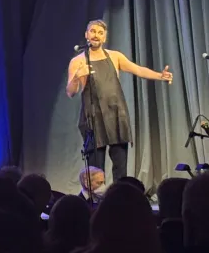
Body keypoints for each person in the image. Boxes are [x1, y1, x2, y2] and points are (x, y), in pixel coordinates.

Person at [66, 20, 173, 182]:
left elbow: (137, 69)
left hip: (116, 116)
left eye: (100, 32)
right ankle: (96, 204)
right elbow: (70, 93)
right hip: (93, 119)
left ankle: (119, 200)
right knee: (95, 171)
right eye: (93, 31)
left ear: (105, 37)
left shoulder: (115, 56)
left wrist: (160, 76)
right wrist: (76, 77)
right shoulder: (78, 61)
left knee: (121, 167)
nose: (96, 35)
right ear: (86, 35)